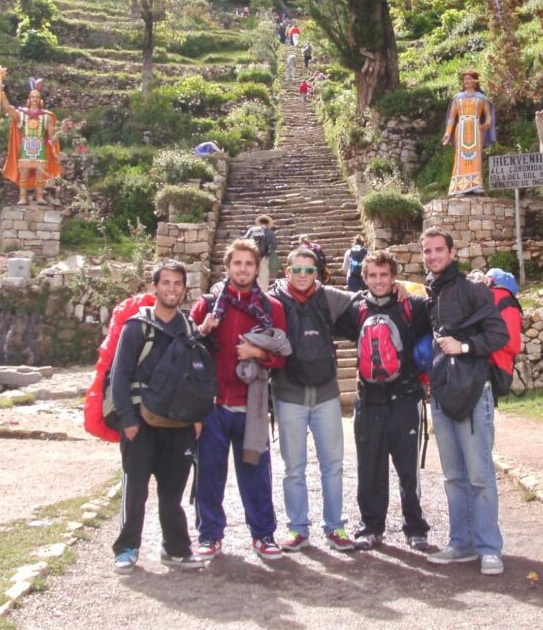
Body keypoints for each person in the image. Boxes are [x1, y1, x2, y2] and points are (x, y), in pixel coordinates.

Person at [190, 240, 289, 561]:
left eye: (249, 264)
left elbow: (282, 356)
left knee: (256, 474)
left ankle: (263, 534)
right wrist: (202, 331)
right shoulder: (207, 306)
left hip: (253, 405)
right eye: (238, 264)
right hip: (214, 405)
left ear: (257, 267)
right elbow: (188, 348)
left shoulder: (272, 308)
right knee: (210, 473)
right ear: (228, 267)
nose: (243, 269)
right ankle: (209, 535)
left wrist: (257, 353)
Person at [420, 227, 508, 576]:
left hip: (473, 391)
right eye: (427, 251)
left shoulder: (472, 290)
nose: (432, 256)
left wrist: (465, 346)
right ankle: (461, 543)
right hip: (442, 392)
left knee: (479, 473)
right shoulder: (429, 293)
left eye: (438, 250)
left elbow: (498, 333)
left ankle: (489, 548)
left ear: (452, 253)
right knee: (454, 476)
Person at [109, 261, 205, 574]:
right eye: (166, 283)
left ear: (184, 289)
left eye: (178, 284)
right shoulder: (136, 327)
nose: (172, 289)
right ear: (154, 287)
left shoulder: (189, 328)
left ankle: (176, 549)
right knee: (135, 489)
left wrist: (198, 416)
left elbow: (197, 376)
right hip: (141, 420)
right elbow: (120, 374)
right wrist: (127, 418)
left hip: (179, 422)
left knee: (172, 492)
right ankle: (126, 548)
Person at [335, 250, 433, 551]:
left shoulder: (412, 306)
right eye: (373, 275)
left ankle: (415, 528)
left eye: (384, 275)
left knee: (408, 470)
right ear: (364, 279)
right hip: (369, 399)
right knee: (369, 467)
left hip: (405, 398)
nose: (379, 280)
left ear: (394, 278)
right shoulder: (356, 308)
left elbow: (442, 307)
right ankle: (370, 527)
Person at [268, 248, 357, 552]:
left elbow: (362, 304)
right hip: (289, 393)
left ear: (317, 273)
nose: (303, 276)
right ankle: (297, 528)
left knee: (332, 465)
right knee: (294, 467)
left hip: (326, 394)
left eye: (309, 271)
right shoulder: (273, 300)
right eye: (297, 270)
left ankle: (335, 527)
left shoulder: (329, 297)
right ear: (286, 271)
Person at [0, 67, 62, 205]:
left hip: (40, 148)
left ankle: (40, 197)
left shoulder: (46, 116)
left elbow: (51, 137)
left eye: (37, 97)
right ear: (28, 100)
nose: (35, 99)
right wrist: (1, 93)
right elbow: (8, 109)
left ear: (40, 100)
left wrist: (55, 147)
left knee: (40, 173)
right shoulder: (22, 115)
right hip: (25, 147)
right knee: (23, 172)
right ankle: (22, 197)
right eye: (32, 97)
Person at [442, 70, 496, 197]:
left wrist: (487, 123)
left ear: (475, 81)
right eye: (465, 79)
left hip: (476, 128)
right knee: (461, 156)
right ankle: (460, 188)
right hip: (461, 128)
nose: (467, 81)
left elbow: (488, 116)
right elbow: (451, 118)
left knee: (476, 156)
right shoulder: (457, 98)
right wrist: (447, 133)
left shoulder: (481, 98)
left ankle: (477, 186)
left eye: (469, 79)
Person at [242, 214, 278, 289]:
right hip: (264, 256)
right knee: (263, 277)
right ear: (268, 223)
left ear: (260, 222)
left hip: (250, 256)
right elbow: (274, 246)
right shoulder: (271, 233)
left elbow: (244, 240)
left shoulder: (252, 229)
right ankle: (262, 294)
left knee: (248, 274)